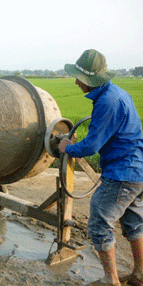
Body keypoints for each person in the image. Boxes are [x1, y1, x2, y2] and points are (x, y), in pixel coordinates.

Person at [58, 49, 143, 286]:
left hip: (122, 173)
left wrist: (68, 147)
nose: (76, 82)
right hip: (137, 171)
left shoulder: (107, 102)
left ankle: (110, 280)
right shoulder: (117, 94)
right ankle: (139, 274)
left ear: (92, 80)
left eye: (79, 78)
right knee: (133, 222)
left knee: (98, 223)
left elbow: (92, 145)